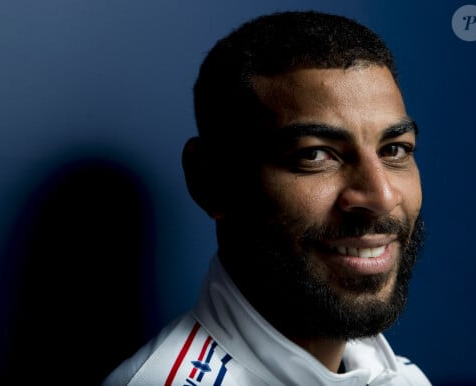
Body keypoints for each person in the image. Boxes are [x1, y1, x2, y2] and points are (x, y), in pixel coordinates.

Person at [104, 10, 430, 385]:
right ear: (210, 182)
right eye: (315, 154)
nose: (381, 196)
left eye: (394, 150)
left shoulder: (404, 377)